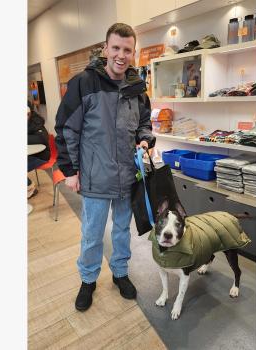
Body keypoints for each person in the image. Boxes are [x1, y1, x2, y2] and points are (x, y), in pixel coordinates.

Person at [55, 23, 155, 311]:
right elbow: (65, 129)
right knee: (92, 233)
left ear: (133, 52)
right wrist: (70, 171)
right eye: (116, 48)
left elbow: (144, 123)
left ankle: (120, 273)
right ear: (105, 48)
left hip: (127, 177)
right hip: (96, 177)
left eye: (127, 50)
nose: (121, 55)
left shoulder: (137, 88)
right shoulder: (83, 83)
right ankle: (88, 280)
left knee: (122, 231)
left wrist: (145, 140)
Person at [28, 102, 50, 198]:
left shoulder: (37, 122)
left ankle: (30, 188)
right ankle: (29, 187)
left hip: (41, 156)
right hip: (30, 154)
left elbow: (42, 138)